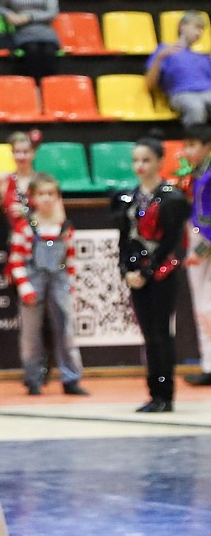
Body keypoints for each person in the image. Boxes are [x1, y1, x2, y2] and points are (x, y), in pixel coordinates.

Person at [111, 134, 190, 413]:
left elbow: (172, 241)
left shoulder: (172, 199)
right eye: (136, 161)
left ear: (159, 161)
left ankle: (165, 393)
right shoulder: (127, 198)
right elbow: (123, 240)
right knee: (148, 334)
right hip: (136, 273)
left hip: (162, 273)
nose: (140, 166)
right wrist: (126, 270)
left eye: (146, 160)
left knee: (161, 333)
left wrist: (148, 269)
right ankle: (153, 392)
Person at [8, 173, 86, 396]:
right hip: (33, 280)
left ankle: (71, 377)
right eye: (41, 194)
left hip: (59, 280)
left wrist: (71, 283)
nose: (46, 199)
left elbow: (70, 258)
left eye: (51, 194)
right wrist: (25, 286)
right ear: (33, 198)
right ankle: (32, 378)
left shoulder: (65, 227)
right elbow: (16, 260)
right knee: (31, 333)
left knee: (66, 329)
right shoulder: (25, 228)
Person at [179, 125, 211, 386]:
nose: (187, 151)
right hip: (197, 233)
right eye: (185, 145)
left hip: (206, 240)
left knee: (208, 307)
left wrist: (201, 250)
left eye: (193, 145)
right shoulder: (194, 171)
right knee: (201, 308)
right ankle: (208, 363)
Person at [147, 11, 211, 127]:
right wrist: (159, 58)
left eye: (202, 29)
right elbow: (149, 84)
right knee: (195, 106)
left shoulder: (203, 57)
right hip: (182, 94)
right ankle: (194, 142)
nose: (199, 32)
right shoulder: (164, 50)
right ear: (182, 27)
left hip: (207, 92)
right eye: (196, 27)